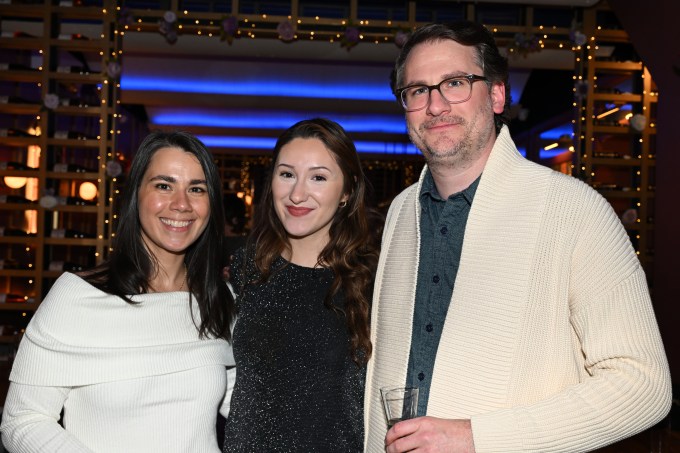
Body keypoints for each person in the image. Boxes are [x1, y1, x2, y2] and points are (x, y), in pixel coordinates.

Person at [364, 21, 672, 453]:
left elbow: (644, 386)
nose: (435, 105)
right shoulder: (400, 211)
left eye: (455, 83)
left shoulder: (573, 210)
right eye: (417, 90)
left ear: (496, 94)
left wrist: (479, 438)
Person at [0, 131, 237, 452]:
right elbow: (23, 420)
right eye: (164, 185)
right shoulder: (77, 297)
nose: (181, 204)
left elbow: (244, 407)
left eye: (196, 189)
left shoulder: (219, 298)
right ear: (135, 194)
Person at [223, 118, 380, 452]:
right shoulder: (245, 268)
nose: (297, 194)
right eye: (287, 174)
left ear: (347, 192)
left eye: (318, 177)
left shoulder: (372, 279)